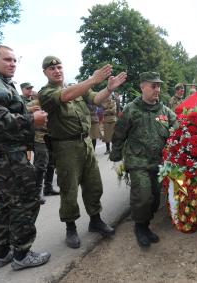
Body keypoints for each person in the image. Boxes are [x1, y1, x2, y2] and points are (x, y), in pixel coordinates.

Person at [0, 45, 50, 270]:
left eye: (15, 60)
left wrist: (26, 113)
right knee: (26, 200)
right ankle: (22, 254)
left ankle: (2, 253)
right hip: (7, 156)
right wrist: (30, 120)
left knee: (1, 203)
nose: (12, 63)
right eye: (7, 59)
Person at [38, 55, 127, 249]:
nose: (57, 71)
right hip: (65, 147)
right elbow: (64, 97)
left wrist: (109, 88)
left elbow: (95, 99)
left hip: (85, 143)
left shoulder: (77, 88)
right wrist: (93, 80)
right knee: (69, 189)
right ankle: (70, 227)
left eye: (59, 67)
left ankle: (95, 220)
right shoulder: (45, 93)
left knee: (94, 185)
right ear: (45, 72)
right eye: (52, 69)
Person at [110, 71, 177, 248]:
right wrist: (116, 159)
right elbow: (118, 135)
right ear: (142, 87)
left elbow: (178, 128)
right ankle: (140, 228)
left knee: (155, 199)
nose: (157, 89)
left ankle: (146, 226)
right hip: (137, 162)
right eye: (153, 86)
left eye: (159, 86)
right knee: (143, 197)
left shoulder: (165, 111)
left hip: (158, 164)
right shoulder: (131, 110)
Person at [27, 95, 60, 205]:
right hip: (39, 137)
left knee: (51, 164)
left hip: (51, 136)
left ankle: (48, 188)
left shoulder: (53, 102)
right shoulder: (35, 104)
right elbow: (22, 110)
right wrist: (30, 110)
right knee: (40, 166)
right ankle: (36, 194)